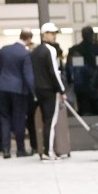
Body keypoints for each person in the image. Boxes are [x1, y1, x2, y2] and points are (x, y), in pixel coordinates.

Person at [0, 29, 35, 158]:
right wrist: (34, 93)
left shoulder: (4, 50)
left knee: (4, 118)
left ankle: (6, 149)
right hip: (18, 89)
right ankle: (20, 149)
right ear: (28, 39)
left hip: (2, 87)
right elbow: (28, 75)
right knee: (19, 119)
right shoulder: (25, 53)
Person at [32, 22, 68, 161]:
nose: (54, 36)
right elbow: (54, 72)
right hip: (49, 90)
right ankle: (48, 151)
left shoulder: (36, 51)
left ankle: (46, 150)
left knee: (46, 120)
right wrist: (62, 90)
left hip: (39, 89)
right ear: (44, 35)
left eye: (55, 34)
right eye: (52, 34)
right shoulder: (50, 50)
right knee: (50, 121)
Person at [68, 26, 98, 115]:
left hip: (81, 86)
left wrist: (71, 83)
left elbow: (69, 68)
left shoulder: (75, 50)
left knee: (84, 111)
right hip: (95, 85)